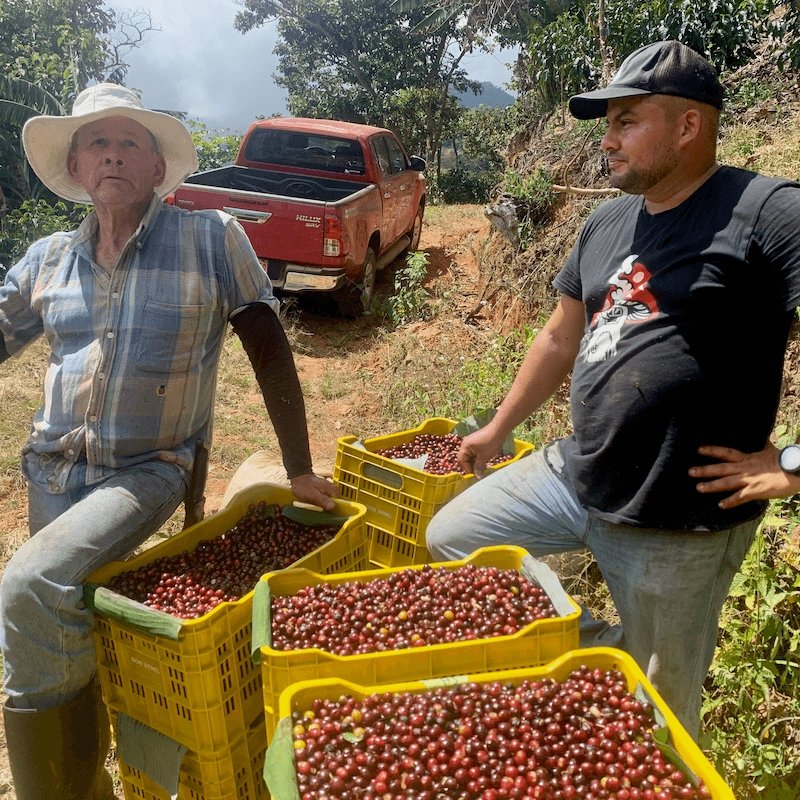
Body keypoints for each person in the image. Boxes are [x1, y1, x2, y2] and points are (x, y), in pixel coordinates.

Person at [426, 39, 800, 741]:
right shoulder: (606, 222)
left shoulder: (767, 211)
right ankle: (606, 658)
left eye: (627, 121)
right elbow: (558, 338)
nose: (607, 140)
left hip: (678, 517)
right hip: (577, 473)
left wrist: (787, 465)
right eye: (608, 124)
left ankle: (642, 703)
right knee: (453, 537)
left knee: (661, 719)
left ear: (689, 127)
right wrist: (499, 427)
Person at [0, 83, 337, 799]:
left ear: (157, 169)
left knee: (29, 588)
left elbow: (269, 347)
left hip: (146, 471)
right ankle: (89, 780)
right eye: (97, 142)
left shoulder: (211, 239)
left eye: (131, 142)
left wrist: (300, 468)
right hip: (53, 471)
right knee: (72, 616)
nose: (113, 154)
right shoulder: (49, 259)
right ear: (78, 166)